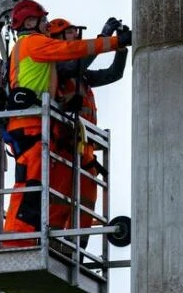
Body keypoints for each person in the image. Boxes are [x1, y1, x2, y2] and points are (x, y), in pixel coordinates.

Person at [1, 0, 131, 247]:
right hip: (32, 124)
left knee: (56, 190)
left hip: (48, 129)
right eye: (43, 22)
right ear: (30, 23)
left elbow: (105, 71)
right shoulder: (34, 44)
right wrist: (113, 40)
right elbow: (75, 56)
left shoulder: (43, 55)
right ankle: (16, 242)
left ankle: (61, 244)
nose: (47, 27)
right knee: (32, 185)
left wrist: (120, 48)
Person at [48, 17, 128, 252]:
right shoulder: (59, 67)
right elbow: (77, 64)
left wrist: (120, 48)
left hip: (85, 148)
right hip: (63, 145)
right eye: (70, 32)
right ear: (58, 37)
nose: (75, 36)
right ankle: (51, 248)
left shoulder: (81, 75)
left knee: (86, 203)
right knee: (58, 200)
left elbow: (114, 74)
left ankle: (76, 253)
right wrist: (106, 39)